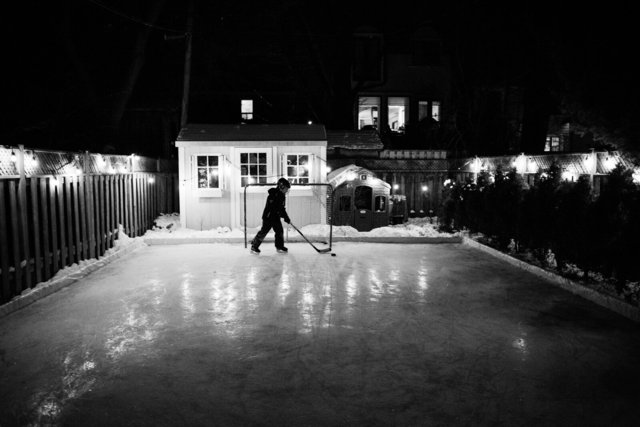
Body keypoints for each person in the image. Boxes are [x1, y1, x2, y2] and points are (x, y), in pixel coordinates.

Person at [251, 177, 291, 254]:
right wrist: (283, 215)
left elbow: (281, 208)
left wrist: (286, 217)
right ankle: (254, 246)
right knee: (263, 232)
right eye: (286, 188)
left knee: (279, 231)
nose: (287, 190)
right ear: (281, 187)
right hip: (268, 217)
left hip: (275, 217)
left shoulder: (282, 196)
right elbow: (275, 207)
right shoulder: (273, 195)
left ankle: (279, 246)